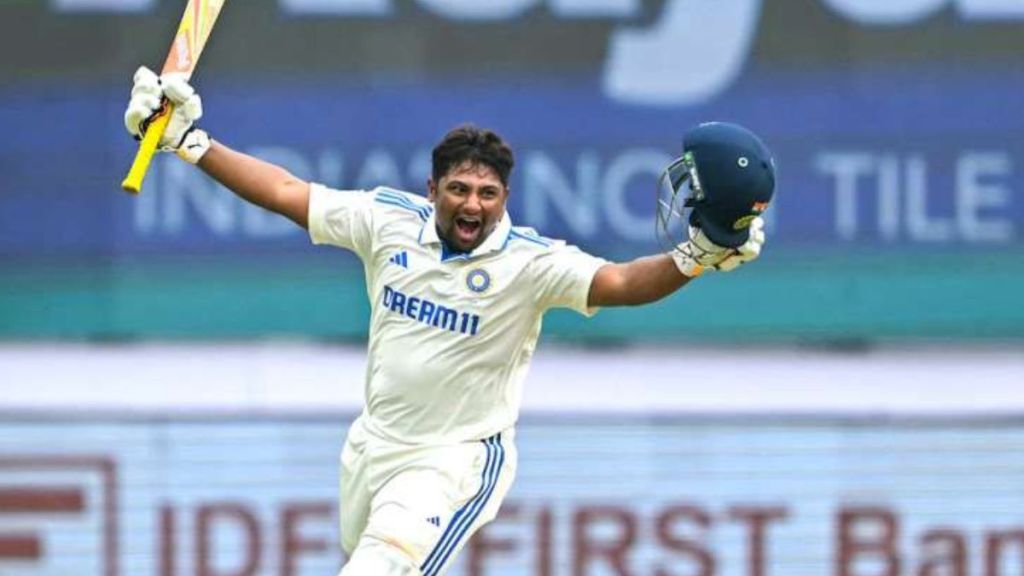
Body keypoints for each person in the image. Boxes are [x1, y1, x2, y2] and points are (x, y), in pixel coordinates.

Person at [124, 66, 775, 576]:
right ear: (432, 190)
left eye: (488, 194)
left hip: (456, 460)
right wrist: (189, 142)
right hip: (373, 446)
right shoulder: (388, 220)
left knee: (379, 567)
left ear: (505, 200)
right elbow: (287, 192)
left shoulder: (530, 262)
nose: (473, 205)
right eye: (459, 190)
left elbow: (622, 282)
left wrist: (693, 257)